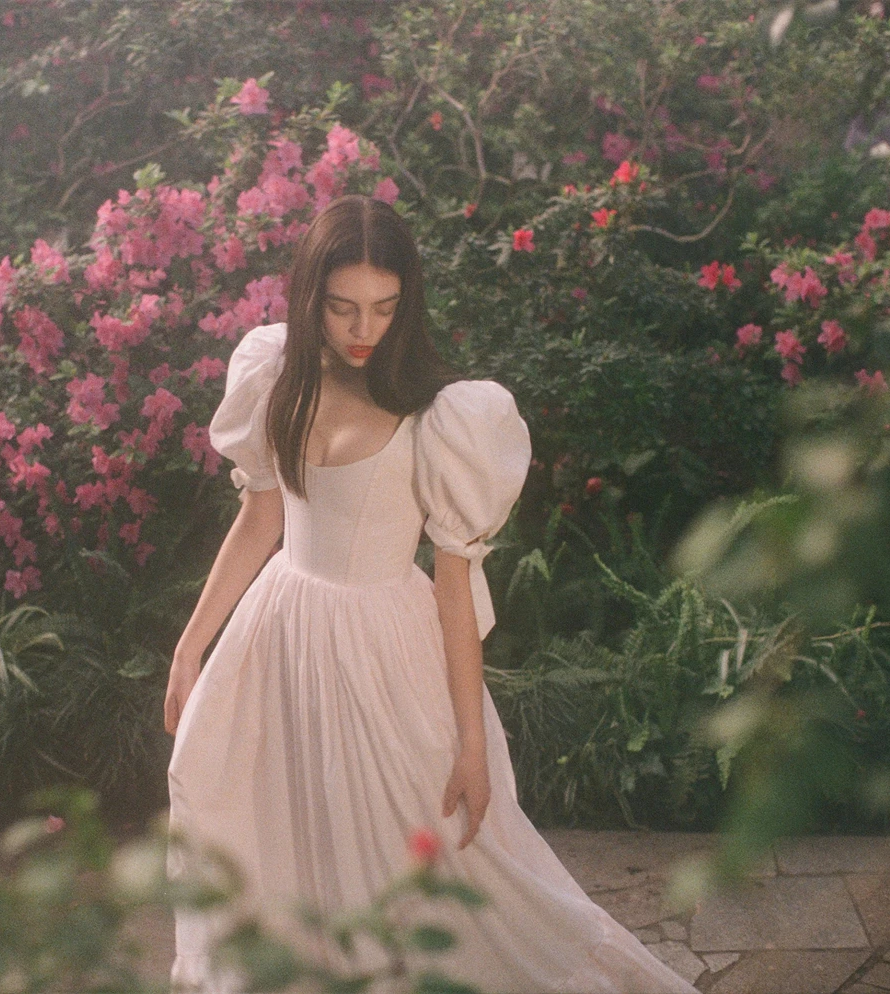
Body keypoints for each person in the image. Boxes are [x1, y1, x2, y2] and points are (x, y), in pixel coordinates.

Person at [163, 194, 697, 994]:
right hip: (279, 633)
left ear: (407, 302)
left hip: (382, 644)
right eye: (341, 307)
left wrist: (472, 745)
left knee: (410, 845)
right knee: (276, 827)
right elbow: (261, 515)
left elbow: (455, 590)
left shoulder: (440, 416)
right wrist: (191, 645)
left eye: (383, 307)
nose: (361, 329)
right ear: (309, 297)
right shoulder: (278, 376)